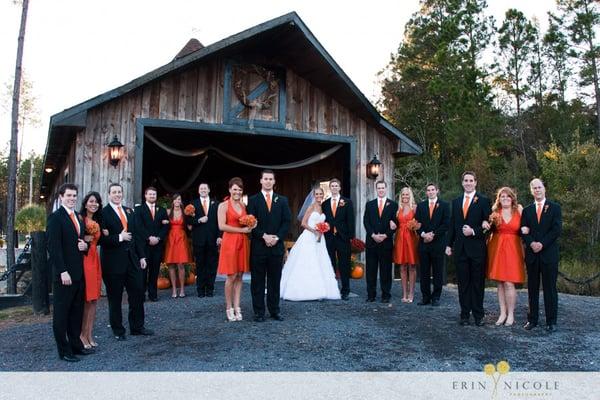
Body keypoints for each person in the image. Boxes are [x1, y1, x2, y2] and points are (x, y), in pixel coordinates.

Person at [101, 183, 153, 340]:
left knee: (137, 293)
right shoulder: (104, 213)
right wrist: (119, 237)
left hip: (132, 260)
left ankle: (137, 326)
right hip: (113, 263)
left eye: (119, 192)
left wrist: (142, 256)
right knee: (115, 298)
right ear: (109, 194)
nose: (117, 194)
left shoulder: (129, 212)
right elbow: (101, 239)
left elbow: (137, 236)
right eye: (114, 192)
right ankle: (118, 331)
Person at [47, 183, 92, 362]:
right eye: (69, 196)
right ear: (61, 197)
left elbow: (81, 241)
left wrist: (85, 246)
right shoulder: (56, 218)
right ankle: (64, 351)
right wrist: (62, 271)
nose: (72, 198)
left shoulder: (78, 217)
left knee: (76, 312)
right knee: (61, 313)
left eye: (74, 196)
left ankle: (76, 346)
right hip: (64, 275)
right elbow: (54, 247)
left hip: (79, 272)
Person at [446, 171, 491, 326]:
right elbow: (452, 225)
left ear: (476, 182)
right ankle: (464, 314)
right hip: (460, 249)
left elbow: (488, 225)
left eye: (471, 180)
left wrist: (473, 231)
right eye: (466, 180)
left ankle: (478, 315)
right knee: (463, 283)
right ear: (462, 182)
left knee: (477, 283)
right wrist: (448, 244)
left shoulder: (484, 201)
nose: (468, 183)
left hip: (477, 248)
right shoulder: (456, 201)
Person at [280, 186, 341, 301]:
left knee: (320, 261)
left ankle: (322, 290)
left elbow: (322, 222)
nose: (318, 196)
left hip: (320, 239)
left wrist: (323, 229)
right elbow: (303, 223)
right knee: (309, 261)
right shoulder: (311, 207)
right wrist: (314, 231)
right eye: (316, 194)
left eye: (320, 194)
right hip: (309, 237)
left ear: (323, 195)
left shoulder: (322, 208)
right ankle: (307, 291)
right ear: (314, 196)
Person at [247, 170, 291, 322]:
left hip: (276, 247)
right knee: (257, 281)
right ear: (260, 181)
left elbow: (287, 222)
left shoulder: (282, 200)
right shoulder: (253, 200)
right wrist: (264, 236)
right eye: (265, 178)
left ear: (274, 181)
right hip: (259, 246)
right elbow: (250, 222)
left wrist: (277, 237)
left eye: (270, 179)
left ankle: (274, 310)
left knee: (274, 280)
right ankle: (259, 312)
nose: (267, 181)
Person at [520, 178, 562, 332]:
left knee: (550, 288)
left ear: (544, 189)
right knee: (532, 288)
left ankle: (551, 321)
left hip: (548, 254)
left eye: (539, 187)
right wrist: (531, 243)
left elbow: (556, 230)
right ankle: (532, 320)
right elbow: (523, 231)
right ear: (531, 191)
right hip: (532, 255)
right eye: (534, 188)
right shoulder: (527, 210)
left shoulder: (555, 208)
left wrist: (541, 244)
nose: (537, 190)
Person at [485, 187, 526, 327]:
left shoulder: (519, 211)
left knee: (509, 282)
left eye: (508, 196)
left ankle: (511, 314)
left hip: (513, 249)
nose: (505, 198)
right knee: (500, 282)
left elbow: (526, 227)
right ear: (499, 199)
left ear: (512, 198)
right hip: (497, 248)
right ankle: (502, 313)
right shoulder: (495, 212)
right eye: (502, 196)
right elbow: (488, 230)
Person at [217, 177, 253, 321]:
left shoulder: (243, 205)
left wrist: (251, 225)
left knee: (239, 275)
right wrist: (242, 231)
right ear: (230, 189)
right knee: (231, 275)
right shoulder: (223, 205)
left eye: (239, 189)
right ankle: (229, 307)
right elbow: (221, 226)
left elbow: (246, 222)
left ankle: (238, 306)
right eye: (235, 189)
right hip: (230, 242)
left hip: (242, 242)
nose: (237, 191)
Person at [414, 183, 450, 307]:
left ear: (437, 191)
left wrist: (433, 234)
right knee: (423, 272)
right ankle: (425, 297)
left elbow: (446, 224)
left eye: (432, 190)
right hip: (424, 243)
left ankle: (436, 297)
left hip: (438, 243)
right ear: (426, 192)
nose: (430, 192)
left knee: (437, 271)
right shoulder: (421, 206)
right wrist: (423, 234)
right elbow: (416, 224)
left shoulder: (444, 205)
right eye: (428, 190)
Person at [363, 181, 399, 303]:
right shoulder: (370, 204)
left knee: (386, 270)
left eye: (383, 188)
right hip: (372, 242)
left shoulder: (393, 205)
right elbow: (366, 222)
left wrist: (385, 235)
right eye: (379, 188)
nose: (381, 190)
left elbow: (395, 224)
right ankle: (371, 295)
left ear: (386, 189)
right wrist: (373, 235)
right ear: (376, 189)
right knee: (371, 270)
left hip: (386, 242)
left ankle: (386, 295)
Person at [322, 178, 355, 300]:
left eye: (336, 186)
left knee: (344, 264)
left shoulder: (347, 202)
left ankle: (345, 290)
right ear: (330, 188)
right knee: (330, 263)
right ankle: (332, 288)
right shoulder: (325, 203)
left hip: (343, 237)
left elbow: (350, 220)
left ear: (339, 188)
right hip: (329, 237)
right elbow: (324, 220)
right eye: (332, 186)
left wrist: (350, 237)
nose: (334, 188)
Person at [135, 187, 169, 301]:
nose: (152, 196)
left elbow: (166, 226)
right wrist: (148, 238)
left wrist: (158, 238)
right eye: (150, 194)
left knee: (154, 271)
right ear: (145, 195)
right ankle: (141, 294)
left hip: (157, 245)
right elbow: (138, 226)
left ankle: (153, 295)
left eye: (154, 194)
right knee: (143, 272)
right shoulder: (139, 210)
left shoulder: (162, 210)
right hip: (144, 245)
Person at [187, 183, 221, 298]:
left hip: (212, 239)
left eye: (205, 188)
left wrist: (219, 236)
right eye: (201, 188)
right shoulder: (193, 204)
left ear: (209, 190)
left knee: (211, 265)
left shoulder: (216, 204)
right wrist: (199, 220)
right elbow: (188, 221)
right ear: (198, 190)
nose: (203, 190)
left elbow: (219, 222)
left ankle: (210, 289)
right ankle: (200, 290)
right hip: (199, 239)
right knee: (200, 265)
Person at [79, 191, 103, 349]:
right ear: (86, 203)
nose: (94, 204)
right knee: (87, 299)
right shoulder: (81, 219)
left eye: (97, 202)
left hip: (95, 258)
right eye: (91, 201)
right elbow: (78, 237)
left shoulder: (97, 221)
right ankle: (81, 335)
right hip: (85, 259)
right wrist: (86, 238)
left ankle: (89, 334)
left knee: (94, 299)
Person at [391, 187, 420, 303]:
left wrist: (415, 225)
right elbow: (393, 222)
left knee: (412, 266)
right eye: (403, 195)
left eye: (407, 194)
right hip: (400, 238)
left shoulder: (415, 208)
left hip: (412, 238)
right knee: (402, 266)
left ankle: (411, 293)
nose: (405, 197)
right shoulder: (398, 208)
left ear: (410, 195)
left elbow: (419, 222)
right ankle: (404, 294)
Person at [163, 193, 192, 298]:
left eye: (179, 199)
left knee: (181, 264)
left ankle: (182, 289)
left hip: (181, 238)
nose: (177, 201)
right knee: (171, 264)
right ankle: (174, 290)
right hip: (171, 238)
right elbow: (160, 222)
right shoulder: (167, 212)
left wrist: (192, 218)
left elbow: (189, 226)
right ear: (173, 201)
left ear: (181, 201)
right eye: (175, 199)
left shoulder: (185, 212)